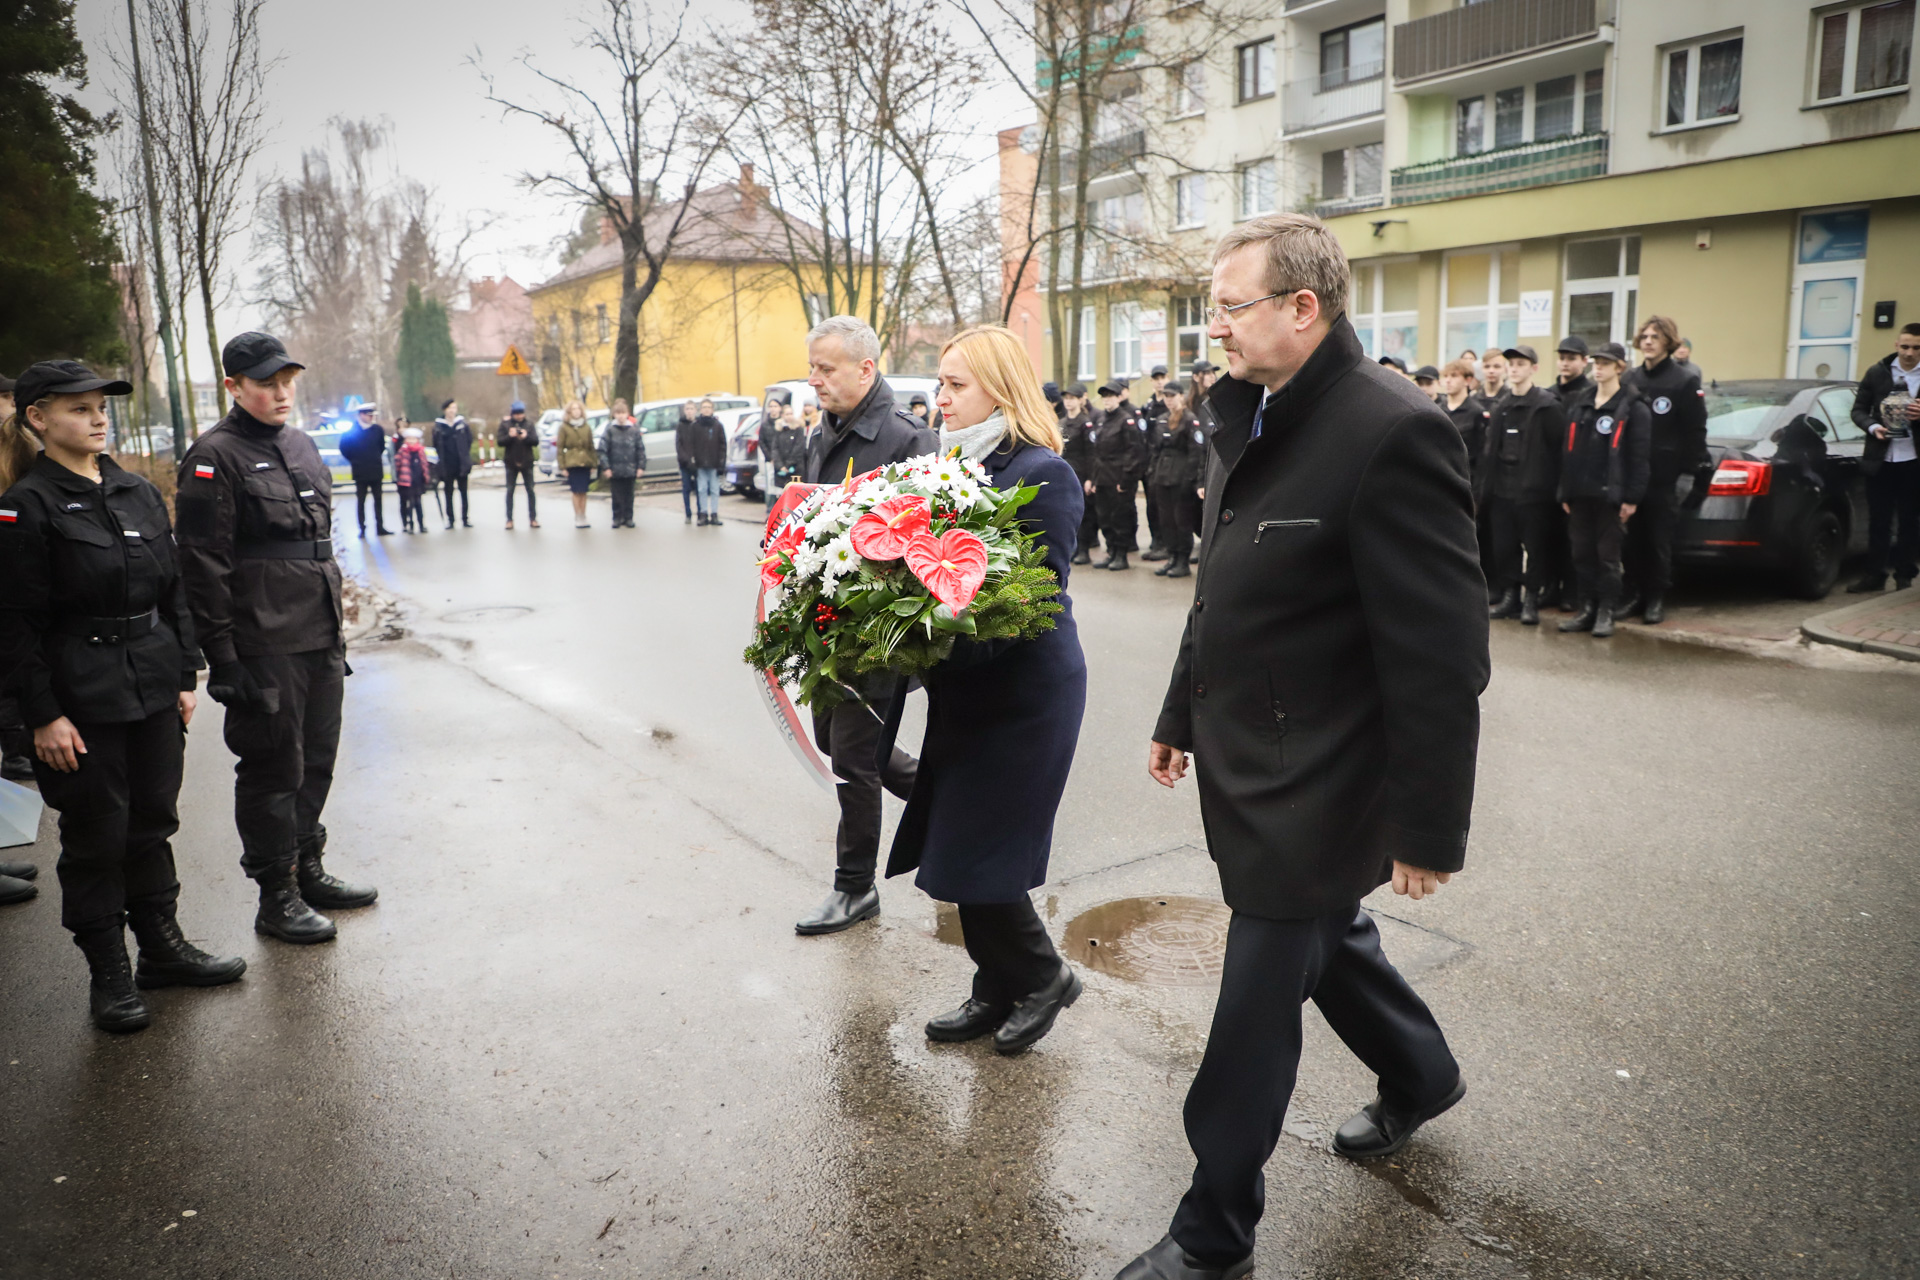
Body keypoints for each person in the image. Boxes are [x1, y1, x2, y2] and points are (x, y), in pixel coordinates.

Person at [1121, 213, 1487, 1280]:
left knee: (1255, 1000)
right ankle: (1420, 1071)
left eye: (1230, 306)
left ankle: (1211, 1232)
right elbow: (1227, 583)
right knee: (1330, 942)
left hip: (1321, 777)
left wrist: (1428, 825)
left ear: (1302, 307)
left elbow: (1440, 656)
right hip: (1249, 752)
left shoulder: (1393, 429)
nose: (1214, 329)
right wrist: (1177, 710)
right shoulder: (1256, 413)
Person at [0, 361, 247, 1028]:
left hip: (151, 682)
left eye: (100, 405)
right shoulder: (25, 508)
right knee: (96, 834)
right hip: (81, 696)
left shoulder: (136, 491)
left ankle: (161, 950)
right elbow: (15, 625)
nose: (98, 417)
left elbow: (173, 592)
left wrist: (183, 675)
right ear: (38, 419)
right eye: (78, 408)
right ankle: (109, 972)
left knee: (152, 822)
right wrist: (43, 715)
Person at [879, 324, 1088, 1055]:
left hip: (1024, 696)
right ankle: (993, 984)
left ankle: (1042, 977)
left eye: (955, 385)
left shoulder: (1042, 472)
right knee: (958, 847)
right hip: (968, 688)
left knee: (983, 852)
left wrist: (928, 641)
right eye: (940, 384)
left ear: (1001, 389)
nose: (941, 399)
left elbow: (1032, 602)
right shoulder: (951, 467)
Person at [174, 331, 377, 948]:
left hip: (318, 633)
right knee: (271, 768)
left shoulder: (302, 444)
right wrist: (224, 658)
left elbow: (321, 544)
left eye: (287, 380)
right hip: (263, 640)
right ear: (234, 387)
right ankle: (276, 895)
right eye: (267, 383)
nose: (282, 392)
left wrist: (335, 629)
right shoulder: (214, 457)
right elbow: (203, 564)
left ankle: (307, 866)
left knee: (316, 759)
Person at [792, 315, 938, 936]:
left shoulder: (909, 441)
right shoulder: (822, 431)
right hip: (829, 622)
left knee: (852, 759)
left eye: (825, 369)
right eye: (812, 368)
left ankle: (855, 888)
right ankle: (949, 806)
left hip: (877, 633)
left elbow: (926, 540)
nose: (813, 380)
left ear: (866, 369)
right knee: (840, 744)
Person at [1620, 316, 1710, 625]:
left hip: (1665, 476)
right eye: (1644, 336)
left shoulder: (1683, 381)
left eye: (1655, 337)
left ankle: (1656, 598)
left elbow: (1695, 432)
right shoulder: (1630, 379)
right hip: (1633, 476)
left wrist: (1688, 473)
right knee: (1631, 540)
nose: (1647, 341)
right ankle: (1633, 594)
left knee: (1658, 541)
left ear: (1668, 342)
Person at [1557, 342, 1649, 639]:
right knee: (1581, 554)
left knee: (1607, 557)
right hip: (1580, 494)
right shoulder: (1582, 402)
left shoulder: (1634, 406)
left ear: (1619, 367)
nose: (1598, 368)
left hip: (1611, 496)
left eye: (1605, 363)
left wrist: (1632, 498)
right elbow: (1568, 451)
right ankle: (1587, 609)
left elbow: (1639, 457)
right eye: (1595, 363)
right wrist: (1565, 492)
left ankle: (1606, 612)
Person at [1480, 346, 1566, 626]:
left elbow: (1558, 451)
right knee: (1505, 547)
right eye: (1511, 364)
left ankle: (1531, 599)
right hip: (1501, 491)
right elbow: (1491, 450)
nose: (1514, 369)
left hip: (1534, 493)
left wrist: (1555, 489)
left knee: (1536, 548)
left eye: (1520, 364)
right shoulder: (1501, 406)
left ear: (1534, 368)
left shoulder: (1547, 406)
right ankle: (1510, 597)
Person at [1847, 322, 1920, 592]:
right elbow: (1858, 410)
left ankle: (1904, 575)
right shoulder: (1878, 372)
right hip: (1880, 459)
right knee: (1879, 520)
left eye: (1916, 347)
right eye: (1905, 346)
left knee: (1910, 520)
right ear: (1896, 345)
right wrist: (1874, 427)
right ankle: (1874, 575)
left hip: (1913, 461)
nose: (1909, 352)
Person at [1148, 380, 1206, 579]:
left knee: (1182, 521)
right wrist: (1153, 474)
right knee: (1166, 521)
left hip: (1181, 478)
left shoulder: (1190, 420)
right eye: (1166, 396)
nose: (1169, 400)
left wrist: (1191, 479)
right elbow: (1156, 450)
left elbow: (1196, 453)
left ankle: (1182, 561)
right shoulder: (1162, 418)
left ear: (1181, 396)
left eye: (1172, 396)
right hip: (1163, 476)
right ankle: (1172, 557)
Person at [1090, 379, 1149, 570]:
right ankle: (1111, 552)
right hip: (1103, 477)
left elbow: (1134, 451)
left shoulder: (1126, 420)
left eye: (1110, 396)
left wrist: (1125, 480)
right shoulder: (1100, 419)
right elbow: (1096, 453)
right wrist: (1093, 478)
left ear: (1118, 397)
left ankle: (1121, 555)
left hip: (1118, 478)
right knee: (1104, 517)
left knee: (1119, 518)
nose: (1106, 400)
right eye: (1104, 397)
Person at [1059, 382, 1100, 565]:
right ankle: (1073, 549)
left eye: (1072, 398)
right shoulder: (1061, 423)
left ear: (1079, 400)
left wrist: (1091, 478)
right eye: (1066, 398)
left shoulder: (1085, 423)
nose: (1068, 402)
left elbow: (1092, 453)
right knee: (1066, 513)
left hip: (1081, 472)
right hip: (1064, 471)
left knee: (1082, 513)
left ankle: (1084, 549)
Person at [339, 404, 392, 537]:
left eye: (372, 415)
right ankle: (362, 528)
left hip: (375, 469)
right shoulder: (351, 431)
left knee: (378, 500)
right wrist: (355, 460)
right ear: (361, 415)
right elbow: (344, 448)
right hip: (360, 471)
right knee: (361, 500)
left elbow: (381, 447)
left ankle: (380, 526)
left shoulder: (378, 430)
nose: (371, 418)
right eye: (369, 415)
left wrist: (374, 457)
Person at [1439, 359, 1489, 489]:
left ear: (1467, 380)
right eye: (1446, 376)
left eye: (1454, 376)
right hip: (1439, 479)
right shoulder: (1437, 410)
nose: (1448, 380)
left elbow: (1482, 456)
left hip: (1465, 480)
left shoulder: (1477, 412)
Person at [599, 399, 646, 529]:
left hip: (630, 468)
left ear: (627, 414)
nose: (620, 416)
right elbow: (603, 450)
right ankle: (617, 518)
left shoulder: (634, 429)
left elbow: (640, 449)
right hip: (615, 469)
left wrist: (641, 466)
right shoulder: (610, 429)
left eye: (623, 413)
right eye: (618, 413)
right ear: (614, 414)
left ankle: (629, 517)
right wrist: (606, 467)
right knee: (616, 495)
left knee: (629, 495)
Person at [432, 399, 474, 529]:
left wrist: (465, 457)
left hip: (461, 463)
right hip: (447, 464)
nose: (452, 411)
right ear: (445, 410)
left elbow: (469, 440)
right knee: (448, 493)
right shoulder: (439, 426)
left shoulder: (462, 424)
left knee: (464, 492)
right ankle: (450, 520)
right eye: (449, 408)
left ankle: (465, 519)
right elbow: (435, 444)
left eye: (454, 408)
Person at [497, 401, 540, 529]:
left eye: (521, 413)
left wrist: (526, 437)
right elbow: (500, 442)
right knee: (510, 491)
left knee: (530, 490)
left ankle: (533, 518)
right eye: (516, 414)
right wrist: (510, 436)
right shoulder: (505, 425)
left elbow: (535, 441)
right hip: (511, 462)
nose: (519, 416)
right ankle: (509, 519)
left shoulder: (529, 424)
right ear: (512, 413)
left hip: (527, 461)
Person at [556, 400, 597, 529]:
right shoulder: (564, 427)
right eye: (573, 409)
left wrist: (594, 463)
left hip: (585, 462)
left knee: (583, 491)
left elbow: (591, 446)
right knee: (576, 491)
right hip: (572, 463)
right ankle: (577, 515)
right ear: (569, 412)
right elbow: (560, 448)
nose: (576, 411)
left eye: (578, 409)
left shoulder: (586, 427)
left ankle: (583, 515)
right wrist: (562, 466)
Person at [688, 398, 728, 526]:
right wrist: (693, 462)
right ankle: (703, 514)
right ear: (701, 409)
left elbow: (723, 445)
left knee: (715, 489)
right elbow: (691, 445)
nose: (706, 409)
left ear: (712, 410)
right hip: (700, 464)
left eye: (708, 407)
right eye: (704, 407)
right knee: (702, 489)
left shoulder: (718, 426)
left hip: (714, 463)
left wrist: (722, 462)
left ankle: (714, 514)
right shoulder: (695, 426)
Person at [762, 402, 807, 510]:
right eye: (787, 414)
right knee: (781, 497)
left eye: (791, 413)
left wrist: (788, 465)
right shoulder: (778, 430)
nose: (789, 416)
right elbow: (775, 448)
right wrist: (780, 465)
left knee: (796, 497)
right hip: (781, 471)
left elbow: (798, 448)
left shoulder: (798, 429)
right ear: (782, 415)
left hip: (795, 469)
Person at [393, 427, 431, 534]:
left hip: (418, 481)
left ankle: (421, 524)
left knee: (418, 503)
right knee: (408, 504)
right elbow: (397, 465)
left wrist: (426, 478)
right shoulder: (402, 451)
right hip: (406, 482)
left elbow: (425, 465)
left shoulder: (421, 451)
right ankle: (408, 524)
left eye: (413, 439)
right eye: (409, 439)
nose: (411, 441)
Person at [1552, 336, 1593, 405]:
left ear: (1584, 361)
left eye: (1571, 359)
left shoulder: (1592, 394)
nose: (1565, 364)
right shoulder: (1549, 393)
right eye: (1561, 358)